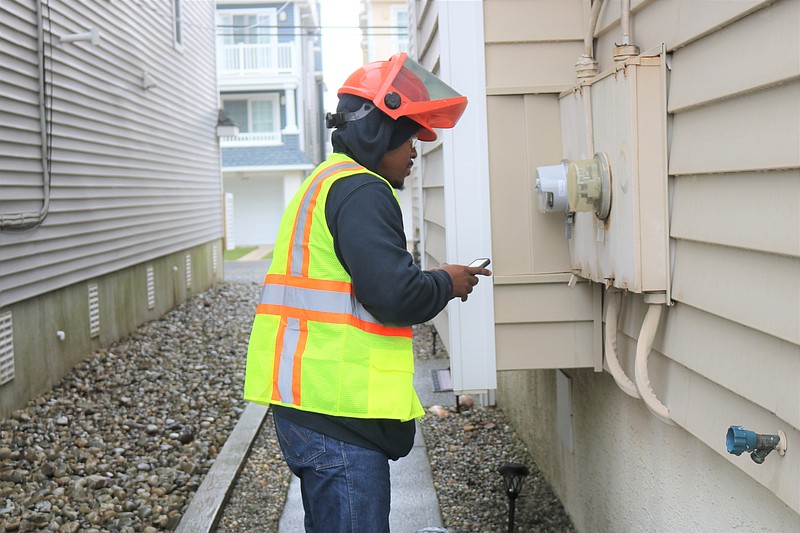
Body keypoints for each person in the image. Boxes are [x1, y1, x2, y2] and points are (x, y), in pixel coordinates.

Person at [244, 52, 492, 533]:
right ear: (380, 134)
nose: (416, 151)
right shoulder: (362, 190)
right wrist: (448, 281)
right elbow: (394, 296)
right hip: (339, 413)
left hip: (309, 405)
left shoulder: (323, 181)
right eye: (409, 139)